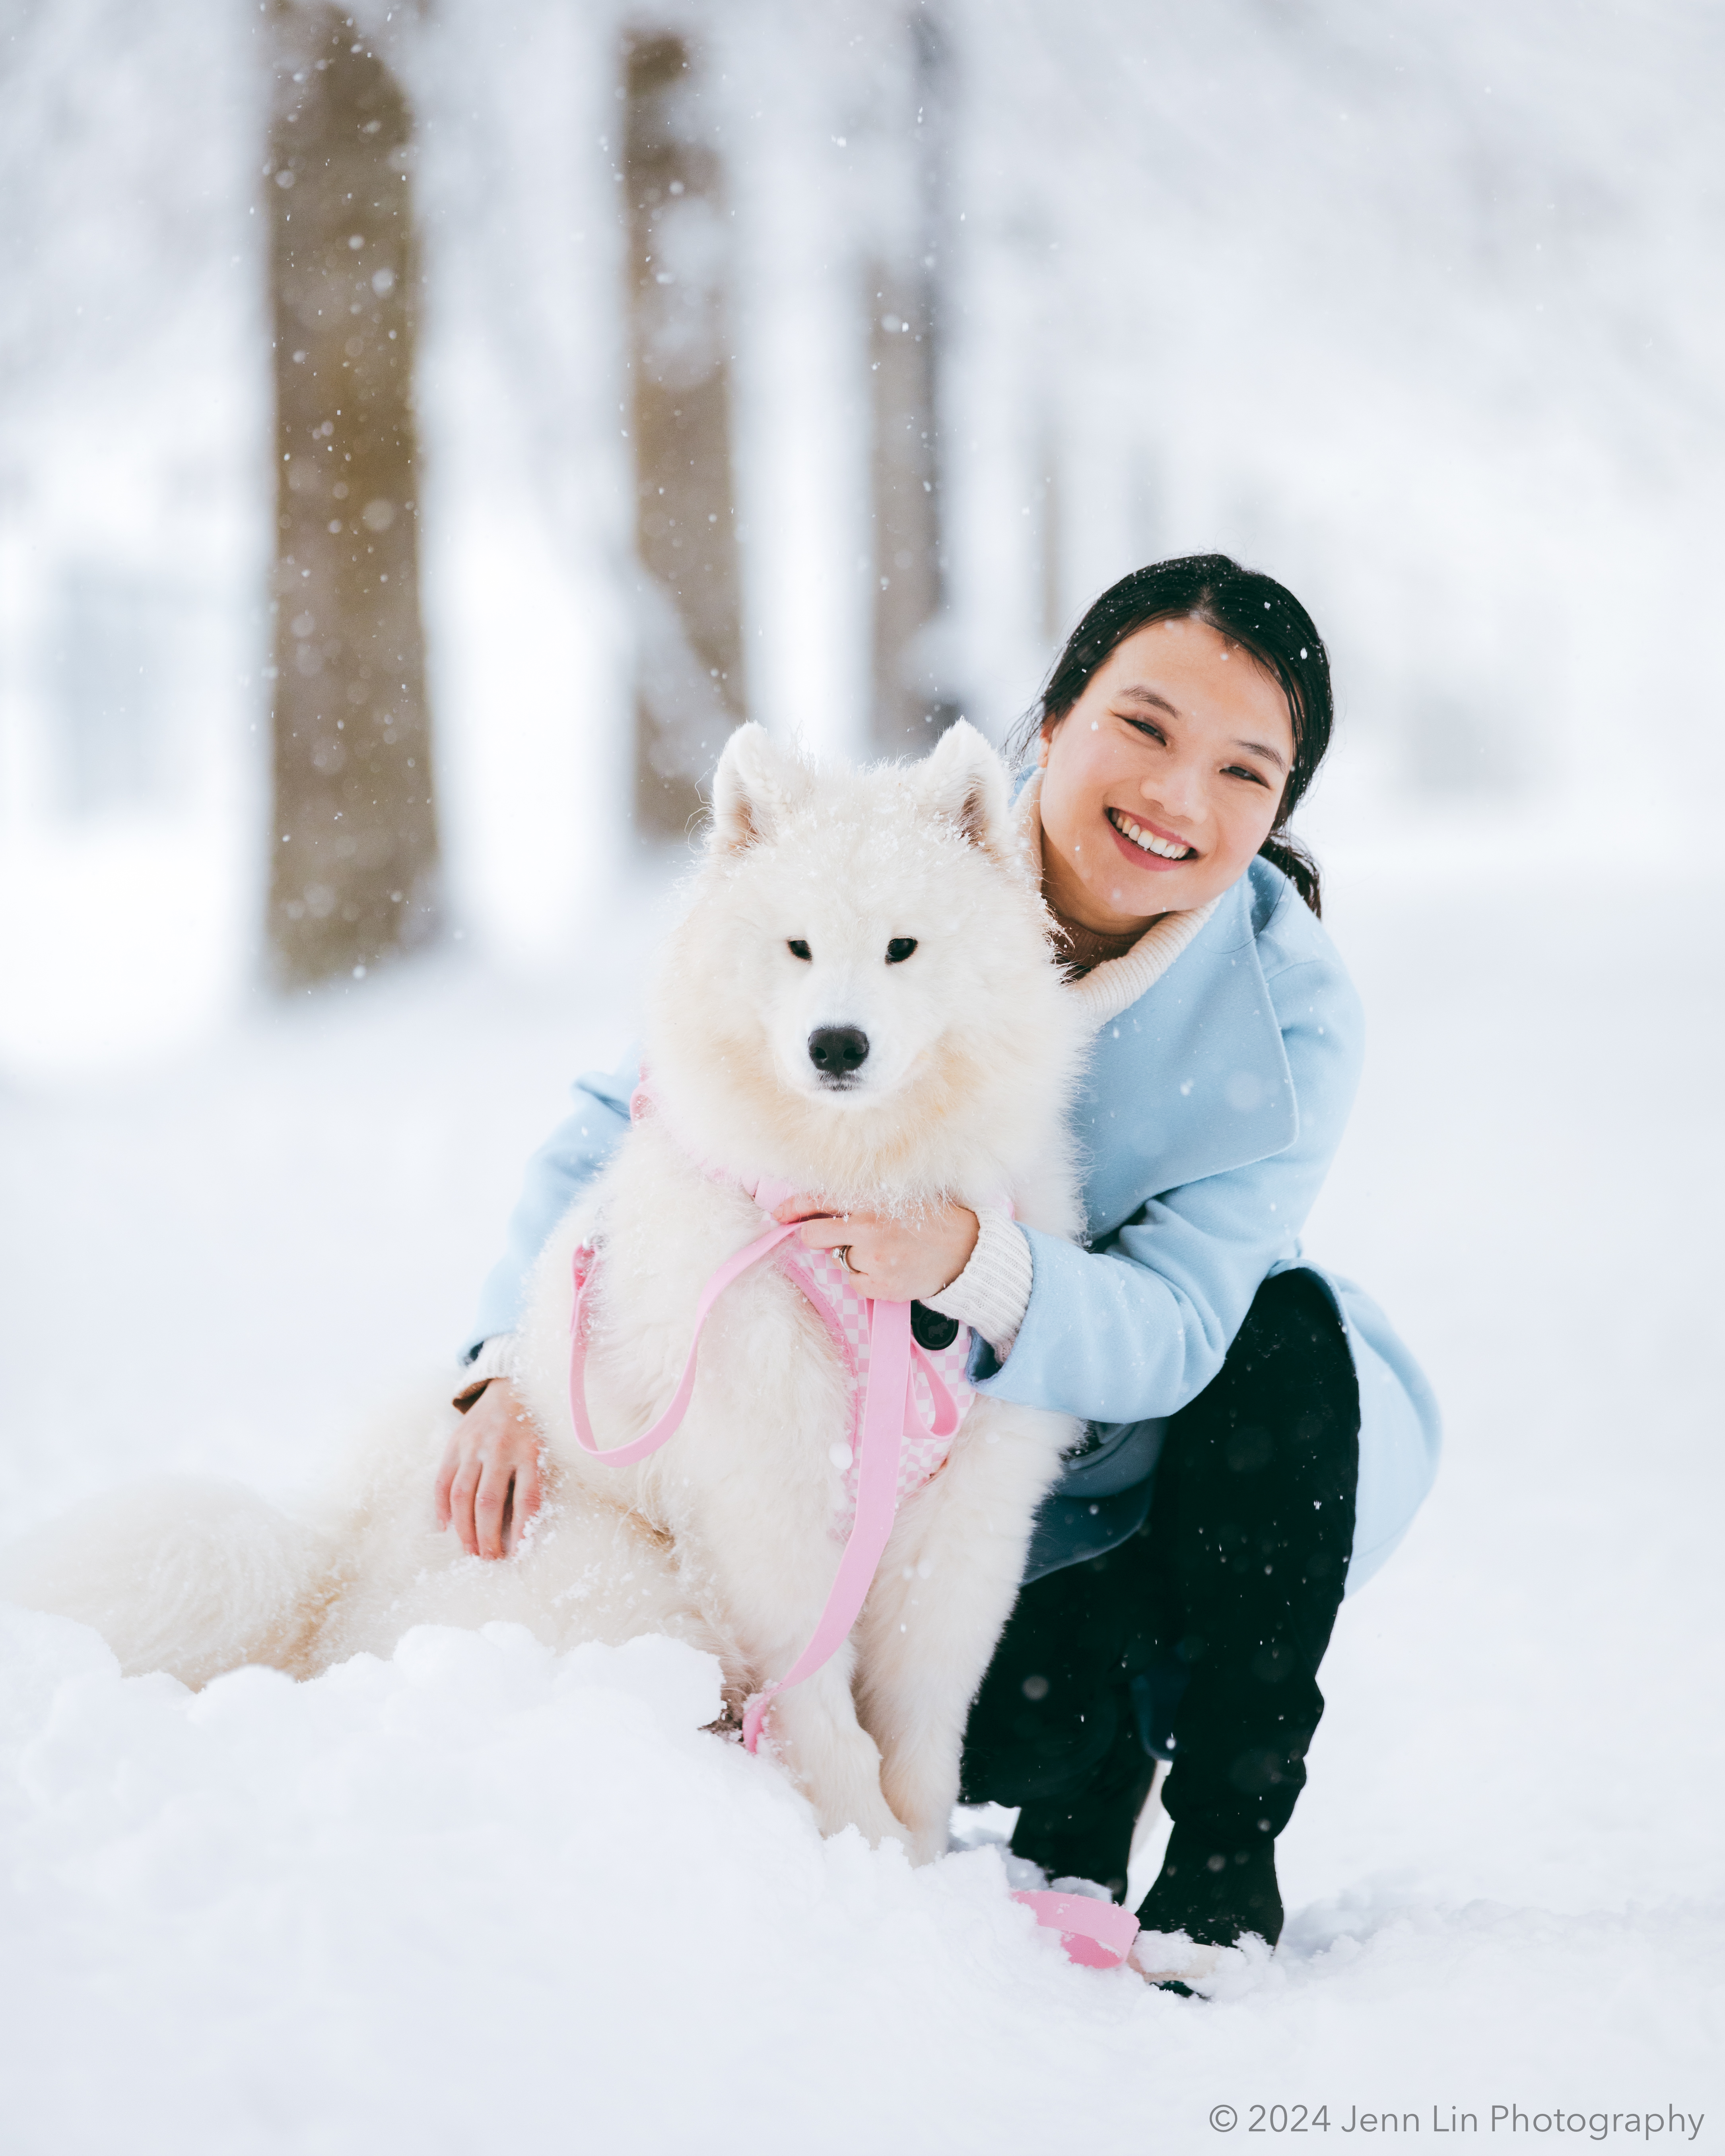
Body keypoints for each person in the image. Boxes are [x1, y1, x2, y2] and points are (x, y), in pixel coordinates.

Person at [436, 554, 1440, 1962]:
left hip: (1129, 1500)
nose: (1174, 798)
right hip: (886, 1504)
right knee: (965, 1721)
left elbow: (1176, 1329)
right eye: (1143, 728)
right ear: (1054, 718)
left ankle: (1223, 1849)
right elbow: (638, 1114)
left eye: (1242, 771)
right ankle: (1062, 1774)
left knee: (1285, 1335)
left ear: (1278, 812)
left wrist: (972, 1257)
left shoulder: (1285, 1019)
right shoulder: (879, 855)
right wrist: (504, 1367)